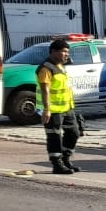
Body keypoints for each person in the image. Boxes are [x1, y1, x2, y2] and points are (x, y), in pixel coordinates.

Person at [35, 38, 83, 175]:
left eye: (67, 52)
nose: (66, 54)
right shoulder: (46, 68)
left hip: (66, 108)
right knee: (54, 137)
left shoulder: (61, 65)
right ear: (53, 51)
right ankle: (57, 164)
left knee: (74, 132)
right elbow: (45, 90)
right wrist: (46, 109)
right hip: (53, 110)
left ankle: (65, 159)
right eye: (63, 52)